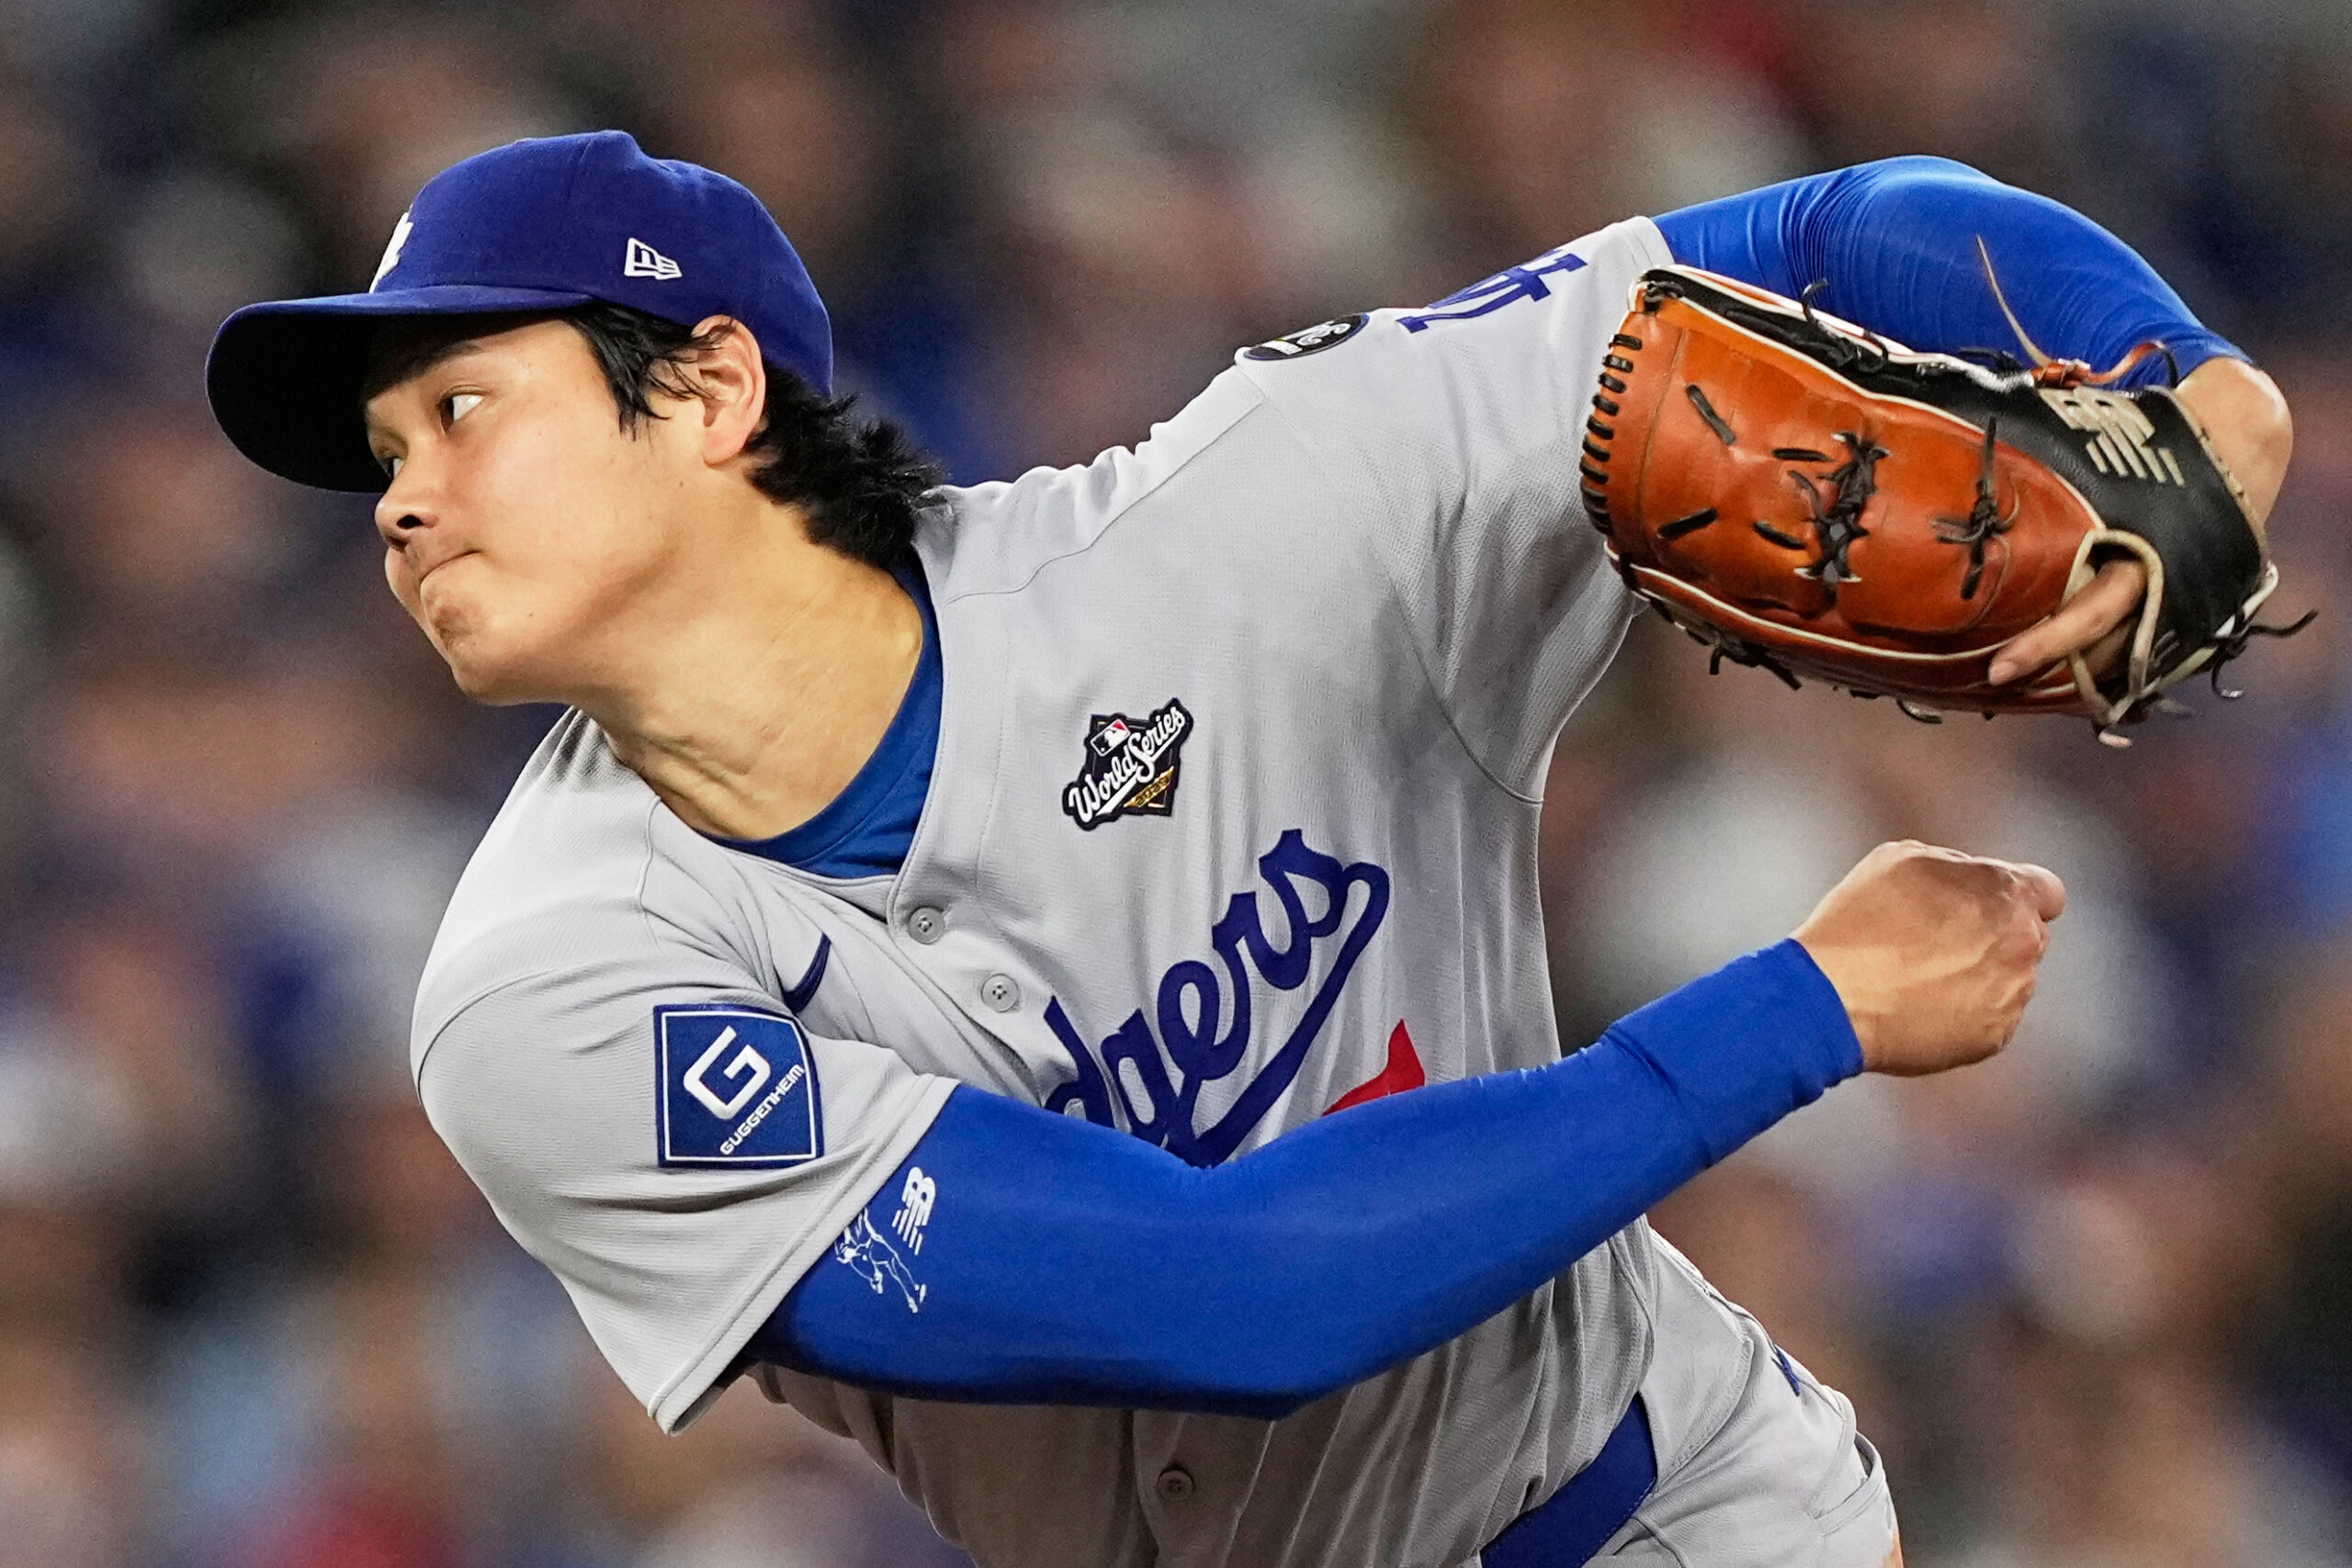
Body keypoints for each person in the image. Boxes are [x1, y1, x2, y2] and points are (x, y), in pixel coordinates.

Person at [205, 132, 2289, 1568]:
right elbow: (1238, 1297)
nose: (399, 502)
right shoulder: (547, 990)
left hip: (1671, 1504)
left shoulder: (1242, 533)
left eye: (461, 409)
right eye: (381, 456)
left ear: (710, 388)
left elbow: (1827, 228)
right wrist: (1801, 1008)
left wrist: (2191, 385)